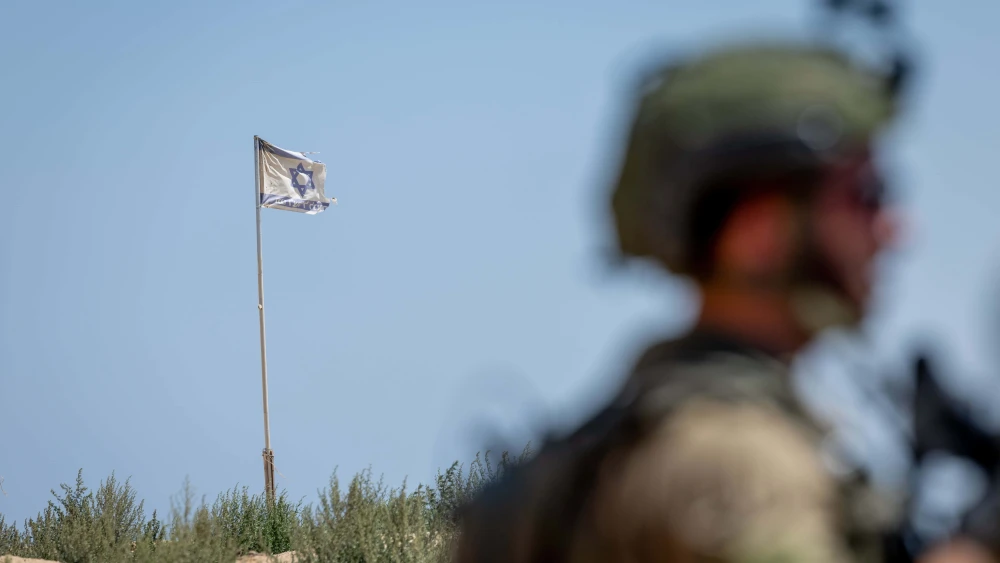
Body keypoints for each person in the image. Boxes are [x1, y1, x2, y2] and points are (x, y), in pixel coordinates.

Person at [452, 36, 998, 563]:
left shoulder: (656, 424)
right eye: (865, 196)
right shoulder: (735, 465)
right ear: (757, 232)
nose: (895, 230)